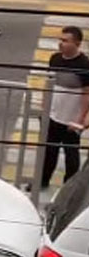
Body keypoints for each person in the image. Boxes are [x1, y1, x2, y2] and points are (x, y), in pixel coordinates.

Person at [41, 26, 89, 189]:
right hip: (53, 115)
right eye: (60, 40)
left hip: (71, 119)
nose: (60, 44)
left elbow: (86, 94)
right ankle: (43, 181)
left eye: (65, 41)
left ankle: (68, 188)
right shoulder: (55, 59)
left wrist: (81, 119)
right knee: (49, 152)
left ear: (77, 43)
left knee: (71, 157)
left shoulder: (84, 64)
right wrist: (44, 108)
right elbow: (49, 85)